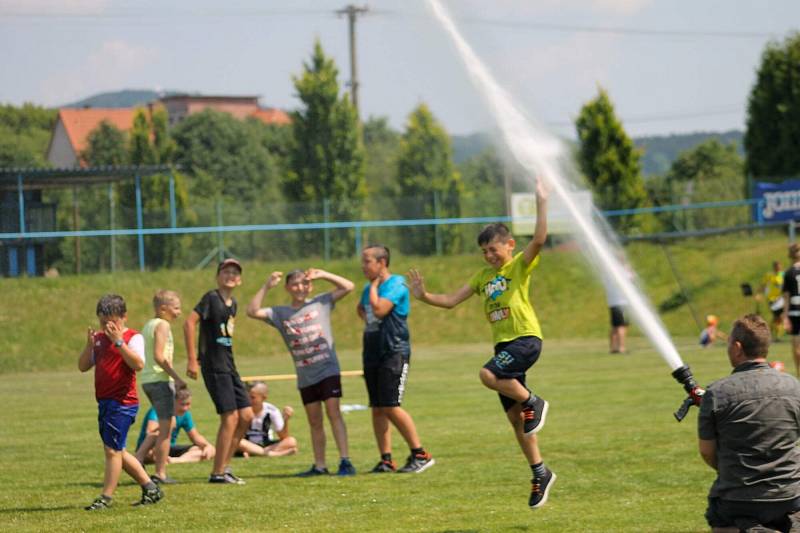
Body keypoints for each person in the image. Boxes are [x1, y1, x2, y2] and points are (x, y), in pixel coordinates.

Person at [408, 177, 554, 509]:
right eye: (485, 251)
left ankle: (536, 401)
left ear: (510, 245)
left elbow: (541, 239)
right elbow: (449, 301)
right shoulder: (482, 277)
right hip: (504, 348)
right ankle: (540, 472)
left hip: (525, 340)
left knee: (488, 376)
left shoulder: (519, 266)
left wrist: (542, 202)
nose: (489, 255)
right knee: (517, 420)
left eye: (494, 249)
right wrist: (424, 295)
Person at [246, 268, 355, 476]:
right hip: (306, 376)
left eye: (304, 284)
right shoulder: (280, 313)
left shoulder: (321, 302)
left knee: (334, 414)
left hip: (328, 370)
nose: (300, 288)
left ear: (310, 286)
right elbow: (252, 311)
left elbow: (348, 286)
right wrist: (266, 286)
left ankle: (345, 461)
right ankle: (320, 465)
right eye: (295, 284)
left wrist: (323, 274)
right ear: (287, 288)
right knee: (315, 421)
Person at [698, 314, 800, 532]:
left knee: (721, 517)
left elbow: (707, 451)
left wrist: (731, 470)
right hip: (790, 494)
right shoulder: (794, 386)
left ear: (737, 347)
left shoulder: (716, 392)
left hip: (738, 497)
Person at [78, 294, 163, 510]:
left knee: (112, 451)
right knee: (118, 450)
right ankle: (151, 488)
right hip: (105, 402)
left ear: (124, 317)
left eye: (112, 321)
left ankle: (106, 497)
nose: (107, 326)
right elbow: (83, 366)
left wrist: (119, 341)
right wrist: (89, 346)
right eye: (103, 321)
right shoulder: (98, 339)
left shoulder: (133, 337)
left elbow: (138, 364)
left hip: (123, 402)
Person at [358, 244, 434, 474]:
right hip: (372, 352)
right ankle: (386, 459)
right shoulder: (367, 287)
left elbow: (379, 309)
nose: (363, 266)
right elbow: (361, 310)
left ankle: (421, 454)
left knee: (391, 405)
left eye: (367, 261)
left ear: (382, 263)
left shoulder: (397, 283)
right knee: (378, 408)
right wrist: (369, 291)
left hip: (393, 352)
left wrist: (373, 287)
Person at [184, 258, 254, 484]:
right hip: (214, 366)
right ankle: (217, 473)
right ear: (218, 276)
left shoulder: (233, 304)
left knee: (246, 416)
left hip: (230, 366)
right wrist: (193, 359)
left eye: (235, 272)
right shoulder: (210, 298)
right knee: (230, 417)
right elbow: (189, 323)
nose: (230, 275)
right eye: (226, 271)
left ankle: (225, 466)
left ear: (240, 279)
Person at [138, 289, 186, 484]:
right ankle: (160, 473)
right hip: (160, 380)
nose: (179, 312)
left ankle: (139, 456)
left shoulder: (148, 325)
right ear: (163, 308)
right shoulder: (163, 325)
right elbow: (159, 356)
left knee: (168, 423)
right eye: (176, 308)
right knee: (166, 429)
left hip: (147, 380)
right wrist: (177, 378)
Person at [135, 387, 216, 466]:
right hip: (151, 449)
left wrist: (207, 445)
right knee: (151, 451)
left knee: (204, 450)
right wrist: (165, 425)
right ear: (173, 401)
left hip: (169, 448)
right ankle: (160, 458)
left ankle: (175, 460)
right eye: (183, 404)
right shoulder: (158, 409)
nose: (186, 408)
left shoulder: (186, 414)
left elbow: (195, 436)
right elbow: (150, 432)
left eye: (188, 404)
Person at [237, 381, 299, 458]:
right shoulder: (242, 409)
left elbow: (283, 437)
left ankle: (252, 452)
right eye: (247, 397)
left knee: (291, 441)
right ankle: (273, 454)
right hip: (246, 442)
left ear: (264, 398)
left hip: (265, 443)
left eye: (253, 397)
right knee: (235, 441)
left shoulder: (271, 410)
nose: (249, 400)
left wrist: (285, 419)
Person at [783, 244, 800, 377]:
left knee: (797, 348)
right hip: (794, 312)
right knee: (796, 348)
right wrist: (785, 317)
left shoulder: (788, 272)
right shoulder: (788, 273)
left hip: (794, 312)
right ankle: (798, 373)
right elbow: (787, 296)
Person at [760, 260, 784, 340]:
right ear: (774, 267)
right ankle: (773, 335)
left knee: (778, 318)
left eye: (779, 266)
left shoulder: (783, 275)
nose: (778, 267)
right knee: (777, 317)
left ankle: (771, 334)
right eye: (776, 266)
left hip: (781, 299)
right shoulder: (770, 275)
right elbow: (763, 285)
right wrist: (759, 293)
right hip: (772, 299)